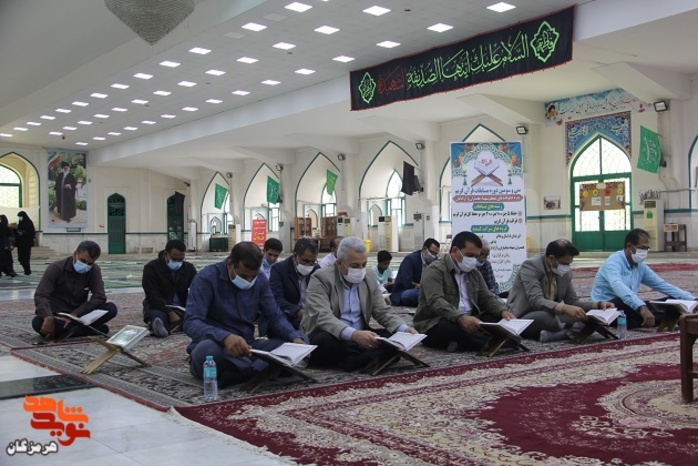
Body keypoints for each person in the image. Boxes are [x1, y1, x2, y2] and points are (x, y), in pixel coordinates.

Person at [184, 242, 308, 388]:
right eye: (243, 276)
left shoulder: (260, 279)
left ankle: (244, 372)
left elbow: (274, 315)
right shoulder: (206, 279)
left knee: (297, 341)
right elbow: (191, 322)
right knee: (206, 352)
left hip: (248, 346)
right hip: (217, 344)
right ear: (230, 264)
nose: (249, 281)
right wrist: (225, 337)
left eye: (253, 276)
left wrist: (294, 337)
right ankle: (261, 369)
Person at [302, 237, 417, 371]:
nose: (360, 269)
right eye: (355, 266)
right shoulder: (321, 278)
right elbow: (323, 317)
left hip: (361, 334)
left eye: (364, 264)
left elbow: (382, 311)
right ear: (339, 263)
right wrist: (353, 335)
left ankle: (356, 361)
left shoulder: (368, 276)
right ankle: (373, 357)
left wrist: (403, 329)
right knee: (325, 342)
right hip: (333, 334)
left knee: (392, 337)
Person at [413, 231, 514, 352]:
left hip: (471, 318)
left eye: (476, 256)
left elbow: (486, 297)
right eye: (470, 255)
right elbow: (436, 301)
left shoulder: (474, 272)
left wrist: (502, 311)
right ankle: (492, 342)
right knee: (452, 328)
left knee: (497, 319)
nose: (473, 260)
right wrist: (460, 318)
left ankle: (466, 343)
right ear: (455, 251)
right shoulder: (435, 270)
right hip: (437, 321)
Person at [507, 239, 614, 342]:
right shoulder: (531, 267)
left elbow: (573, 302)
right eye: (565, 264)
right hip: (525, 314)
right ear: (551, 258)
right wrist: (565, 308)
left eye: (569, 264)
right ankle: (567, 332)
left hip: (553, 312)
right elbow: (536, 301)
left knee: (585, 315)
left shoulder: (565, 272)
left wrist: (598, 305)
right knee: (547, 318)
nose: (567, 267)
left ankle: (558, 334)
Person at [591, 228, 697, 329]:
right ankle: (673, 316)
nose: (645, 251)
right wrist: (641, 307)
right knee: (624, 302)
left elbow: (661, 284)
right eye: (642, 248)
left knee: (674, 301)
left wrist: (693, 300)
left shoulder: (640, 266)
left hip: (630, 305)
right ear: (629, 246)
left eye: (647, 248)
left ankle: (662, 316)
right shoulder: (613, 262)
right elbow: (618, 286)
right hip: (609, 306)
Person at [31, 241, 118, 340]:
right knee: (37, 323)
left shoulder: (94, 270)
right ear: (75, 254)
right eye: (83, 261)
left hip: (79, 315)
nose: (86, 265)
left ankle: (70, 331)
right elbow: (41, 295)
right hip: (57, 316)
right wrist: (48, 317)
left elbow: (99, 296)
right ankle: (90, 330)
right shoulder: (56, 268)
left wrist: (75, 314)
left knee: (111, 308)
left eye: (90, 263)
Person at [142, 239, 197, 338]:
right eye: (174, 259)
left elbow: (198, 289)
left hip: (182, 307)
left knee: (197, 316)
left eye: (181, 259)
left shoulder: (188, 269)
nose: (178, 262)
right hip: (159, 306)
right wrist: (170, 312)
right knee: (158, 315)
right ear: (166, 254)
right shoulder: (151, 268)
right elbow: (152, 295)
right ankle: (158, 326)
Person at [265, 237, 320, 336]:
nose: (309, 265)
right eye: (306, 261)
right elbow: (276, 298)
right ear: (295, 256)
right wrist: (297, 311)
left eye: (313, 262)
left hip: (311, 317)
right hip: (288, 316)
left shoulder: (316, 269)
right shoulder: (279, 269)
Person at [391, 238, 441, 307]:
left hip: (424, 290)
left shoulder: (434, 262)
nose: (434, 256)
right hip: (406, 291)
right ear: (424, 249)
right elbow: (408, 284)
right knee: (408, 295)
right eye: (432, 253)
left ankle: (432, 300)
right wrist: (425, 285)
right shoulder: (410, 259)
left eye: (436, 254)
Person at [14, 211, 36, 275]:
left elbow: (32, 233)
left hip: (27, 243)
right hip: (20, 243)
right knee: (20, 258)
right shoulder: (20, 223)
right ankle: (26, 269)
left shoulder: (29, 223)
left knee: (26, 257)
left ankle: (27, 270)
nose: (20, 218)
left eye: (20, 216)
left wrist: (24, 233)